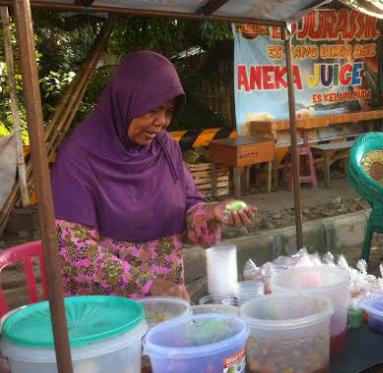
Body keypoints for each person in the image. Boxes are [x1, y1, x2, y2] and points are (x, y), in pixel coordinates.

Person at [51, 51, 257, 300]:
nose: (161, 122)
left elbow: (187, 212)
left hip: (167, 303)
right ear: (126, 101)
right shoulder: (80, 156)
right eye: (152, 110)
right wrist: (147, 286)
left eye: (169, 112)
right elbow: (74, 251)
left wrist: (212, 212)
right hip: (107, 311)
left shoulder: (165, 148)